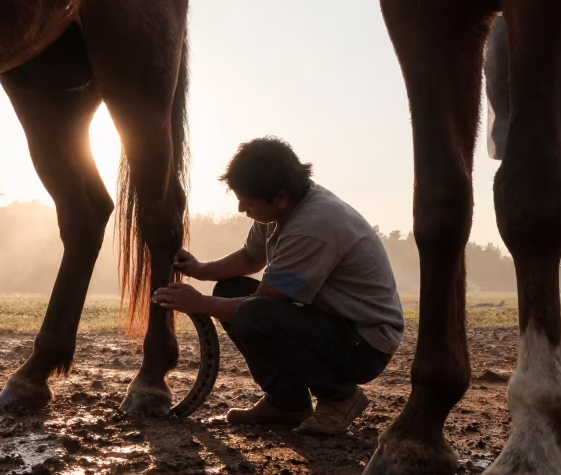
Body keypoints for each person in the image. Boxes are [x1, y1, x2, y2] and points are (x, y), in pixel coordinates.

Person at [152, 137, 404, 432]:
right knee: (230, 290)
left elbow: (269, 300)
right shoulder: (279, 208)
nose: (240, 207)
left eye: (248, 200)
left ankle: (340, 398)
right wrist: (201, 270)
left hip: (365, 342)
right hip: (334, 323)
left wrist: (200, 304)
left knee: (253, 314)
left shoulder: (314, 225)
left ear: (280, 197)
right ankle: (287, 403)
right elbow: (250, 257)